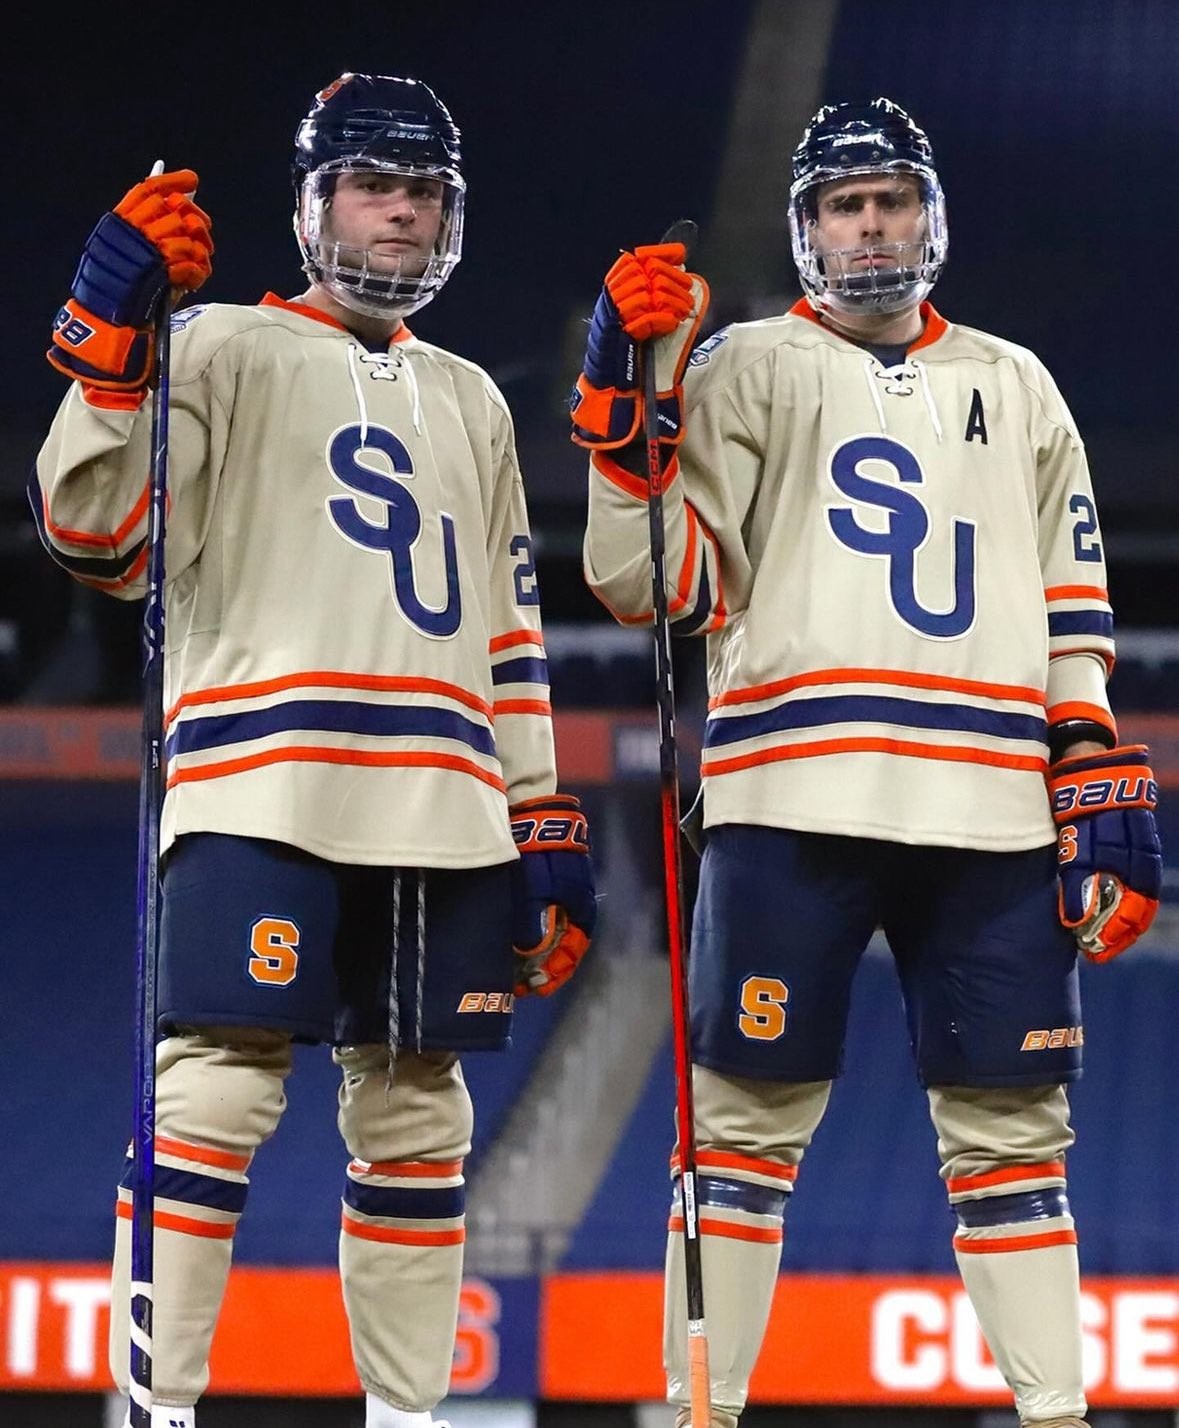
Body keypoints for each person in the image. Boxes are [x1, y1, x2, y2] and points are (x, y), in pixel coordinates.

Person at [571, 96, 1161, 1428]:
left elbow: (1072, 600)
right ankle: (704, 1411)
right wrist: (622, 426)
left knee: (1017, 1140)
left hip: (991, 803)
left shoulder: (1019, 383)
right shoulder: (736, 366)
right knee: (738, 1132)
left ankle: (1058, 1417)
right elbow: (651, 581)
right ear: (809, 228)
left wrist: (1085, 744)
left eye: (893, 199)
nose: (874, 224)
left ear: (930, 217)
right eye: (848, 204)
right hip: (793, 794)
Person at [34, 71, 595, 1428]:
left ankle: (408, 1416)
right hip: (262, 783)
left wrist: (539, 815)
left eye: (422, 192)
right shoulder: (214, 342)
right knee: (213, 1097)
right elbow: (96, 537)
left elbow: (510, 633)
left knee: (418, 1120)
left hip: (446, 807)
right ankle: (160, 1408)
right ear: (312, 203)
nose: (399, 214)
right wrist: (111, 350)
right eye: (371, 186)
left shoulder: (474, 397)